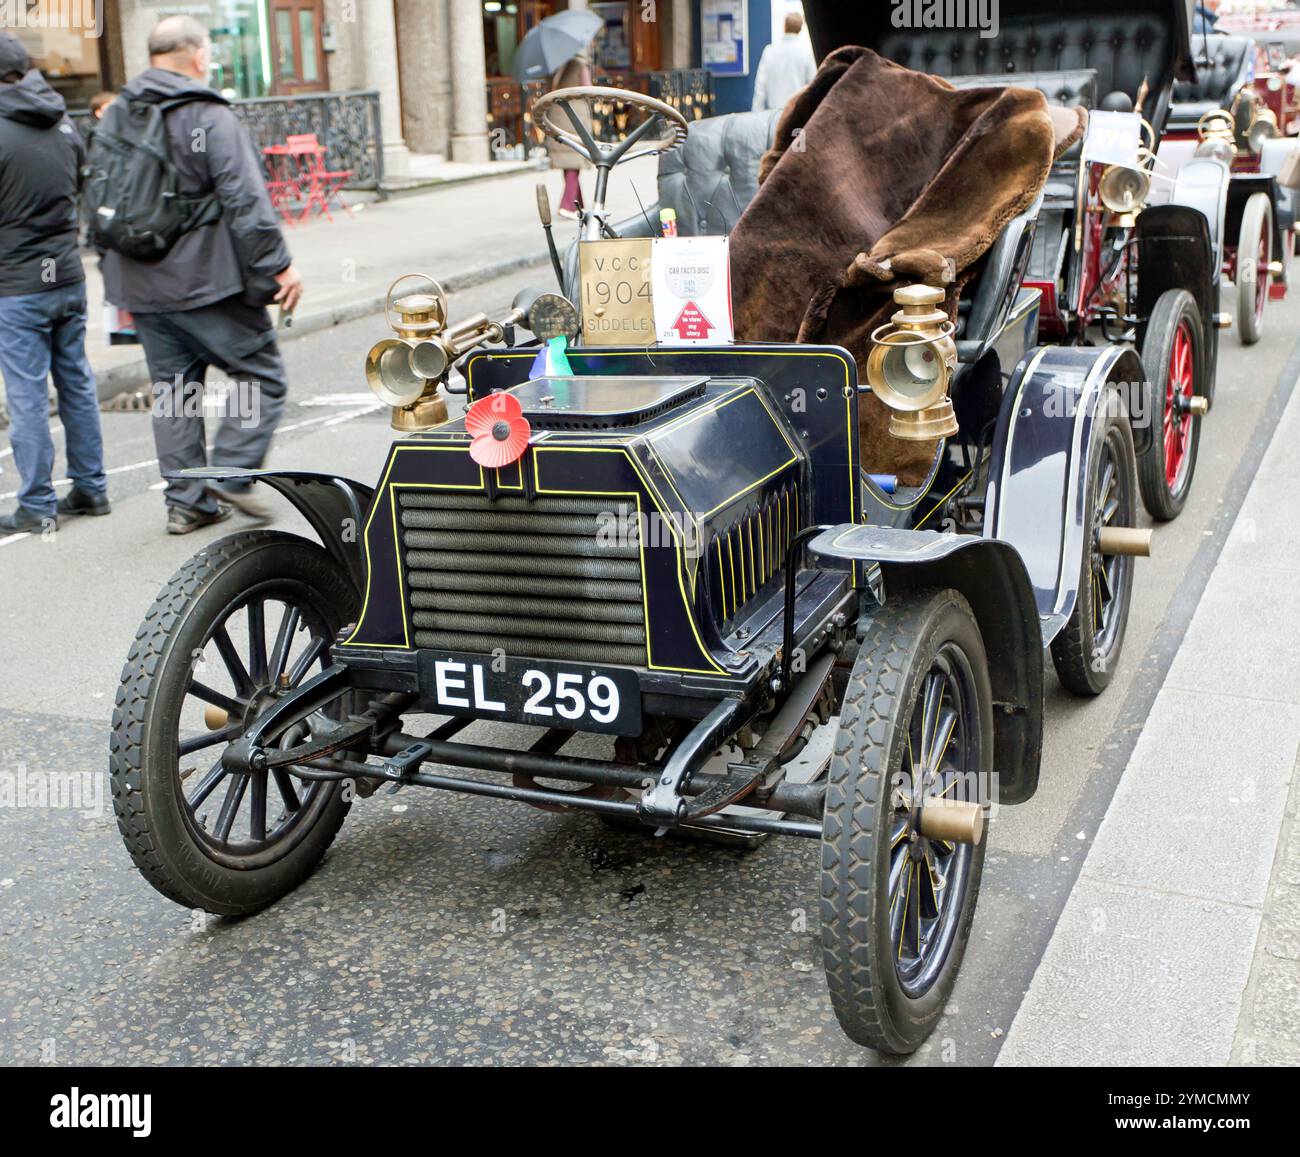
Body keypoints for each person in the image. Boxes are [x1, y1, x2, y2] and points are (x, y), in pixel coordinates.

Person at [99, 15, 303, 535]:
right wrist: (277, 266)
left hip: (139, 283)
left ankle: (187, 502)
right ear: (198, 56)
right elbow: (245, 198)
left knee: (175, 392)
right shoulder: (206, 114)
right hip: (205, 279)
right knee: (261, 376)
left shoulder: (116, 114)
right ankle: (231, 476)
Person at [0, 33, 109, 533]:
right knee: (77, 384)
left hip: (18, 285)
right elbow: (81, 187)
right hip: (66, 274)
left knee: (26, 394)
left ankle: (38, 506)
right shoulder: (64, 122)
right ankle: (91, 488)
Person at [548, 51, 592, 220]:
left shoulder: (556, 64)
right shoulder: (580, 64)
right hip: (575, 115)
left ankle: (577, 205)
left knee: (568, 160)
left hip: (557, 113)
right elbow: (587, 90)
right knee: (574, 160)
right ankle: (567, 205)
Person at [751, 11, 817, 112]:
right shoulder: (806, 52)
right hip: (797, 113)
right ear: (800, 29)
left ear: (784, 27)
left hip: (773, 114)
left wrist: (756, 115)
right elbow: (813, 85)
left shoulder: (769, 51)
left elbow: (760, 86)